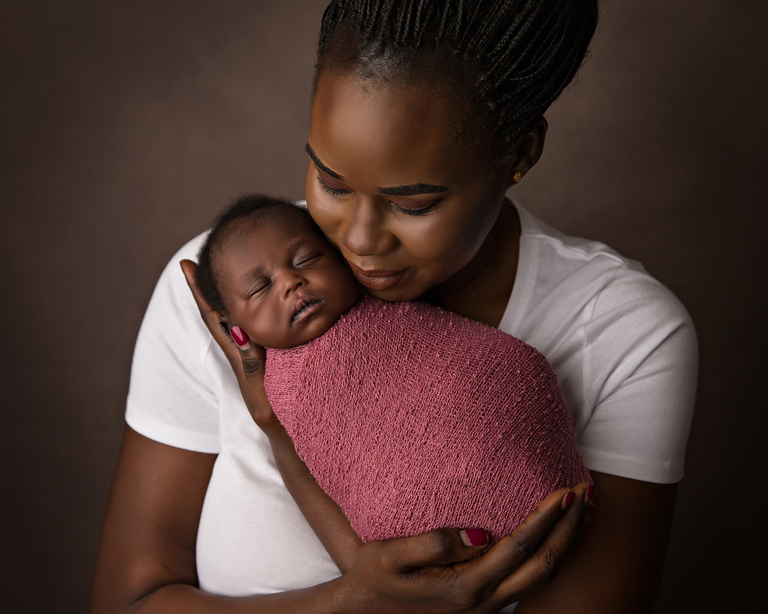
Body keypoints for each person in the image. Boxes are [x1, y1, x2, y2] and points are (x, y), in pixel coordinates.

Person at [91, 1, 698, 613]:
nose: (357, 240)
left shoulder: (625, 333)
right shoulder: (235, 289)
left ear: (520, 153)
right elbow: (127, 600)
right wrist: (346, 601)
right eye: (330, 183)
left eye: (412, 205)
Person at [192, 192, 592, 547]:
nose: (292, 282)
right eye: (260, 288)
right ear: (233, 328)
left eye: (306, 259)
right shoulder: (279, 386)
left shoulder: (388, 297)